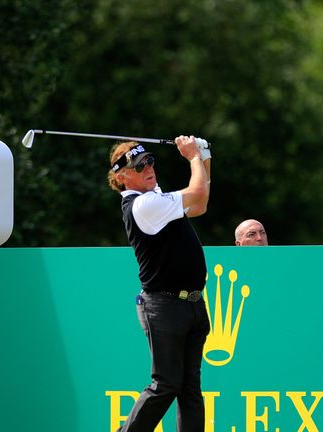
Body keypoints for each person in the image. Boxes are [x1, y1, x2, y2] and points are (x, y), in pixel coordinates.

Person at [107, 135, 212, 432]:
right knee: (165, 384)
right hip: (164, 306)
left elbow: (200, 204)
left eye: (150, 161)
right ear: (122, 177)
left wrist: (204, 156)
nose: (149, 168)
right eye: (140, 166)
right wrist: (194, 157)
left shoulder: (156, 198)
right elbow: (197, 191)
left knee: (189, 388)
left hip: (191, 303)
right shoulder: (143, 204)